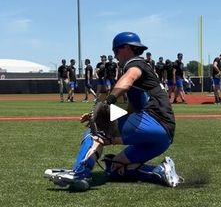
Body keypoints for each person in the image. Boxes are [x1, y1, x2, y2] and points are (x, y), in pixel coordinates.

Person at [45, 31, 184, 191]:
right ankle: (159, 171)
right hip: (163, 137)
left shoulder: (135, 63)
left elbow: (129, 78)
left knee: (96, 130)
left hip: (154, 122)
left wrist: (109, 101)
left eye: (116, 51)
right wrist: (104, 113)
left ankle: (80, 173)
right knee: (115, 169)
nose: (116, 56)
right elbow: (135, 108)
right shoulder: (146, 72)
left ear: (126, 48)